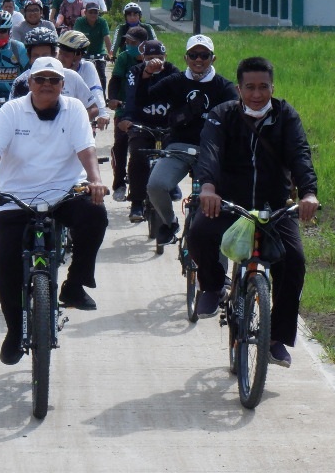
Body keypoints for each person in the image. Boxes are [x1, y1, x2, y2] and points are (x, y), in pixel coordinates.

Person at [0, 57, 109, 365]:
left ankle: (74, 285)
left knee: (95, 215)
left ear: (62, 84)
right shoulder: (11, 111)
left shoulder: (74, 111)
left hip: (65, 192)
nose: (47, 85)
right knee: (5, 265)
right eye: (40, 79)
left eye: (54, 80)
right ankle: (15, 331)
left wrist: (95, 182)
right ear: (30, 82)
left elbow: (86, 150)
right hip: (17, 196)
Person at [190, 56, 319, 368]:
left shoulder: (286, 116)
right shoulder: (223, 115)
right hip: (227, 202)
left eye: (264, 87)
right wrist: (208, 187)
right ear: (239, 88)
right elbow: (210, 150)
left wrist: (308, 192)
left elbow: (300, 153)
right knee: (198, 235)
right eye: (250, 87)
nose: (257, 94)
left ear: (272, 87)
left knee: (294, 262)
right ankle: (211, 285)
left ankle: (276, 339)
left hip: (273, 206)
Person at [134, 34, 237, 245]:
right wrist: (147, 73)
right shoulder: (175, 81)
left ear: (213, 58)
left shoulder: (224, 87)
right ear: (185, 58)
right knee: (155, 185)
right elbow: (142, 100)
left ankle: (219, 272)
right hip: (179, 147)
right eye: (193, 55)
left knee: (215, 203)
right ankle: (169, 222)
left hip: (211, 151)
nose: (198, 60)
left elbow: (236, 119)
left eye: (204, 55)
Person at [119, 39, 178, 221]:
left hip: (167, 124)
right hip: (141, 123)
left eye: (159, 57)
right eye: (150, 58)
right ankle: (136, 202)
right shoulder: (134, 72)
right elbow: (130, 96)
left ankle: (171, 184)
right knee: (137, 155)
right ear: (142, 58)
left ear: (165, 57)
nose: (155, 61)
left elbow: (180, 97)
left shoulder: (172, 71)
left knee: (176, 152)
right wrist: (127, 119)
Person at [9, 27, 99, 118]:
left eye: (45, 55)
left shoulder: (72, 77)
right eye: (36, 56)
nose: (41, 60)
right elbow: (12, 115)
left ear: (54, 55)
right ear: (29, 57)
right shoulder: (20, 82)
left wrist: (73, 122)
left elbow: (93, 108)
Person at [106, 26, 151, 201]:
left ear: (143, 45)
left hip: (149, 111)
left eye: (133, 42)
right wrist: (113, 99)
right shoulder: (124, 58)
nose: (128, 44)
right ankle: (119, 183)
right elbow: (115, 81)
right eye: (127, 41)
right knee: (121, 144)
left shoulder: (153, 59)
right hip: (125, 109)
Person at [55, 30, 110, 131]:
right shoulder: (53, 67)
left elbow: (95, 90)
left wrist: (103, 114)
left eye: (66, 55)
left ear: (79, 55)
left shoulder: (87, 67)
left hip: (81, 121)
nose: (61, 58)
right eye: (60, 53)